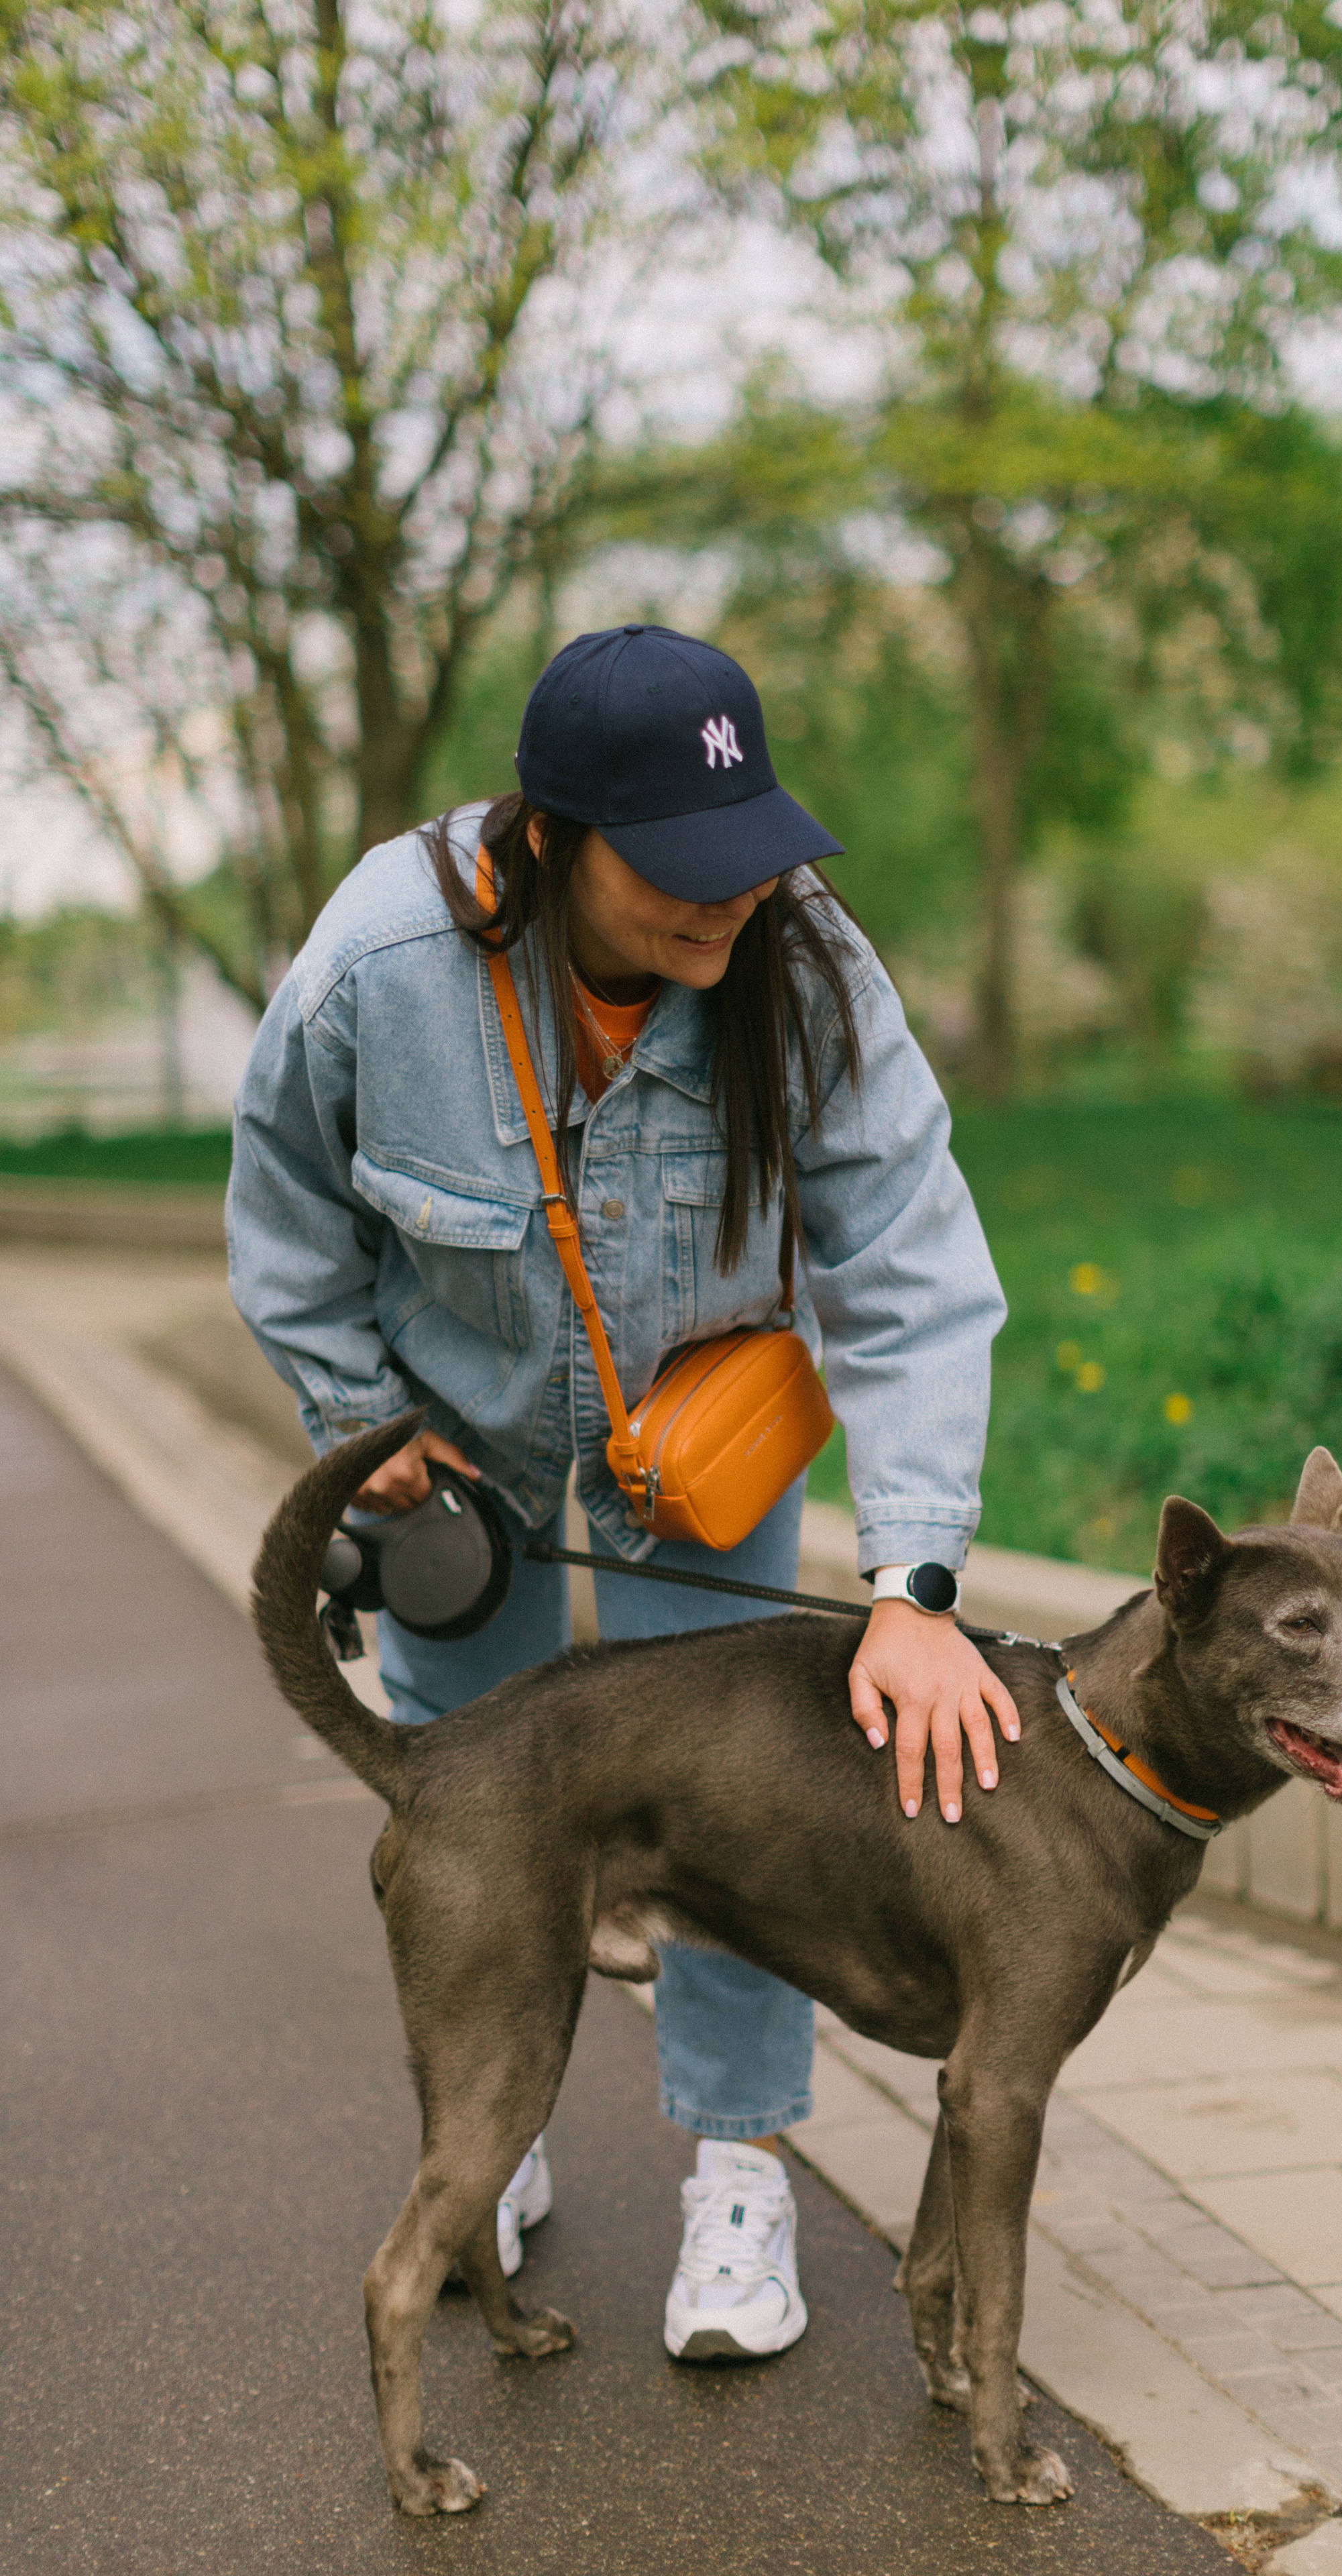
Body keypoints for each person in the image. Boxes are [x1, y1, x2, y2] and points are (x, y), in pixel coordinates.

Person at [227, 621, 1014, 2361]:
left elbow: (911, 1264)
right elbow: (284, 1212)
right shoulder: (382, 962)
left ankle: (736, 2174)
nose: (725, 905)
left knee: (739, 1810)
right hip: (465, 1455)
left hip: (704, 1438)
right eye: (675, 874)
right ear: (552, 841)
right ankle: (480, 2148)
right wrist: (364, 1418)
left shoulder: (802, 969)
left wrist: (917, 1587)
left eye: (749, 862)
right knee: (480, 1806)